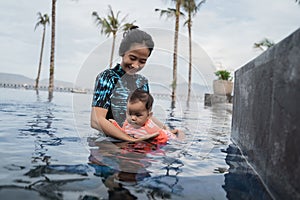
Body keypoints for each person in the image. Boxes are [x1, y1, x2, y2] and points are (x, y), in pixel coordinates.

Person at [91, 27, 171, 142]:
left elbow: (144, 115)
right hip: (110, 143)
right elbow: (96, 120)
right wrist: (129, 140)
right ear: (122, 53)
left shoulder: (142, 82)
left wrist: (165, 130)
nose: (135, 65)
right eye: (132, 58)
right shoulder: (107, 78)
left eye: (142, 61)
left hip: (138, 139)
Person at [109, 89, 178, 144]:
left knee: (167, 133)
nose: (132, 118)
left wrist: (153, 140)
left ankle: (171, 131)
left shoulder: (150, 128)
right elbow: (123, 132)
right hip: (138, 139)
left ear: (148, 115)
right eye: (129, 114)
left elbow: (163, 138)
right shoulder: (127, 123)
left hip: (166, 135)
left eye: (138, 115)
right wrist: (115, 125)